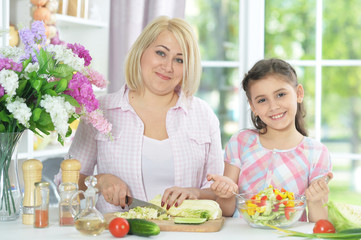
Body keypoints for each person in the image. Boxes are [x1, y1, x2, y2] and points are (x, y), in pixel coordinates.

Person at [55, 16, 224, 213]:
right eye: (161, 53)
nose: (168, 67)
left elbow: (219, 193)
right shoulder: (100, 111)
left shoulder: (203, 115)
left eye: (179, 60)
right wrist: (100, 181)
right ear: (141, 51)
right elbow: (66, 183)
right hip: (117, 233)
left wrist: (195, 192)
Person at [207, 58, 332, 222]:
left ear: (298, 94)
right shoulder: (241, 142)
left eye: (281, 94)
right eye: (262, 100)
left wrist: (316, 200)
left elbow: (319, 223)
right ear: (253, 107)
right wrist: (225, 195)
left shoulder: (316, 153)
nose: (273, 106)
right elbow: (225, 212)